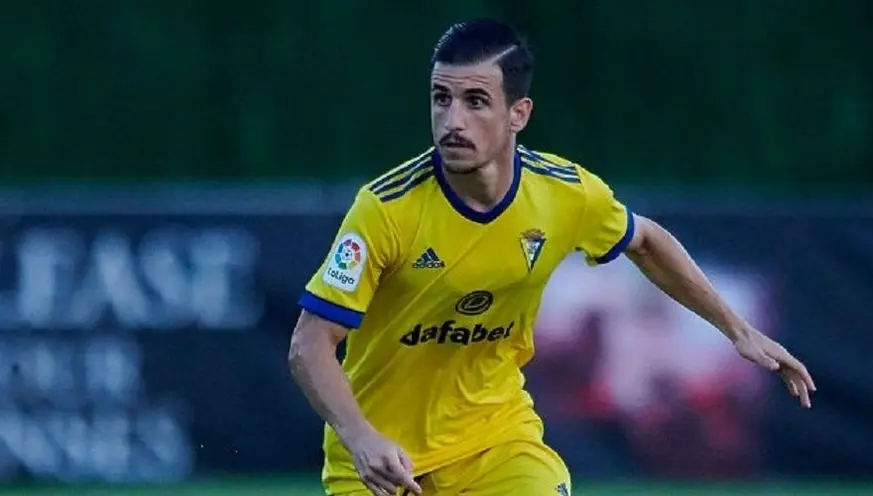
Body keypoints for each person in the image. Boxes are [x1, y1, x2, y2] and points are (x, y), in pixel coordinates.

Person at [288, 18, 815, 496]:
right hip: (383, 460)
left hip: (494, 442)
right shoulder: (385, 209)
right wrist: (360, 438)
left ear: (519, 113)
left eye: (475, 101)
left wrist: (737, 330)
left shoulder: (564, 194)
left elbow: (647, 241)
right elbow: (310, 342)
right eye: (440, 98)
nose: (452, 120)